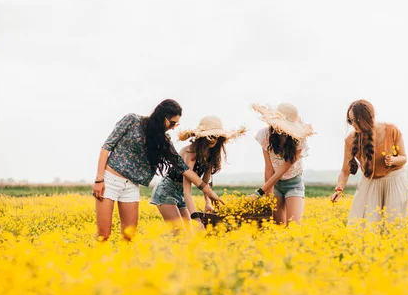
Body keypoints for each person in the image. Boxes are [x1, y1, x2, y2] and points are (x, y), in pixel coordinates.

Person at [91, 99, 223, 241]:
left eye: (176, 124)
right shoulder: (132, 120)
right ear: (162, 116)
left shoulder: (163, 140)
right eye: (172, 123)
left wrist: (209, 192)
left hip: (131, 186)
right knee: (103, 236)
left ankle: (123, 263)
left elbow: (183, 168)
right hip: (110, 179)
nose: (173, 127)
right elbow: (107, 147)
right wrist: (99, 179)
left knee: (128, 237)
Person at [150, 116, 246, 233]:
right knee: (180, 235)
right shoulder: (190, 152)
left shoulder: (212, 154)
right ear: (201, 137)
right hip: (166, 191)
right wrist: (196, 218)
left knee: (189, 237)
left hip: (180, 195)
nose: (213, 140)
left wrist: (208, 202)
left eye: (216, 136)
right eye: (209, 136)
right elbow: (187, 191)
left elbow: (205, 182)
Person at [330, 99, 408, 225]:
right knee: (364, 225)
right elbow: (345, 171)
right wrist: (338, 189)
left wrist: (393, 160)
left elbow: (404, 158)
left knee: (393, 224)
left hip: (394, 180)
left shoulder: (391, 130)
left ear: (369, 117)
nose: (354, 125)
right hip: (370, 182)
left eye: (357, 120)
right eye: (351, 121)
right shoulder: (350, 140)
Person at [249, 102, 314, 225]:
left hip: (294, 184)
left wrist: (259, 193)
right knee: (278, 227)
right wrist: (268, 198)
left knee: (294, 225)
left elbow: (281, 171)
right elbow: (269, 168)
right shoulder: (265, 135)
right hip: (274, 184)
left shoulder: (298, 140)